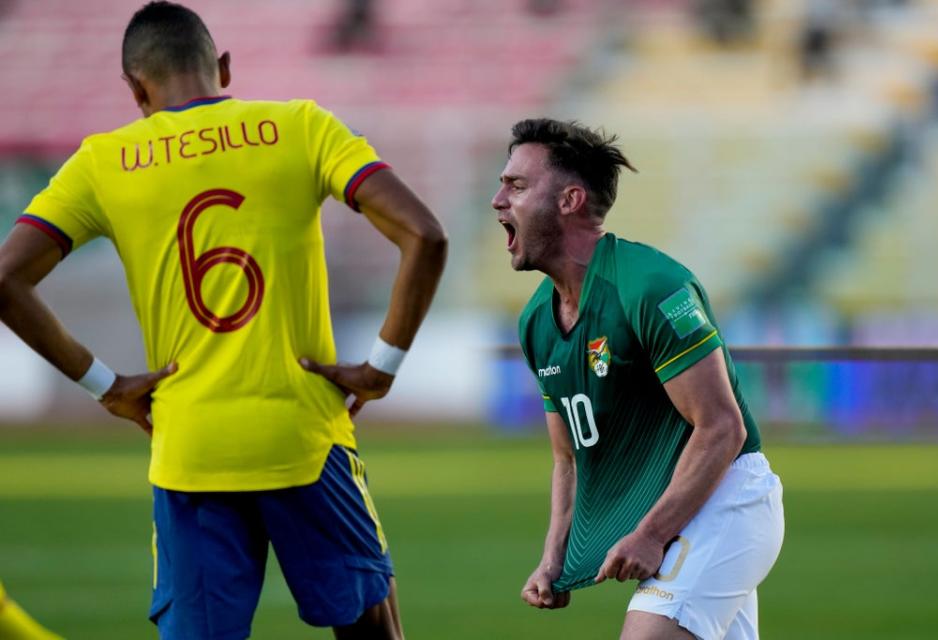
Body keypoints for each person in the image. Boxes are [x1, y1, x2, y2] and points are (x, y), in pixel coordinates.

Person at [0, 2, 446, 639]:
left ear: (135, 90)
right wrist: (382, 368)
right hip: (305, 438)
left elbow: (4, 278)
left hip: (189, 448)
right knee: (373, 630)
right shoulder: (301, 126)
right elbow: (425, 235)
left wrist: (105, 384)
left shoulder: (102, 162)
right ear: (225, 68)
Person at [492, 118, 783, 640]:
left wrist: (650, 535)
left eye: (516, 185)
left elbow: (722, 427)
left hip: (723, 503)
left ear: (570, 200)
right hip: (676, 516)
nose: (498, 200)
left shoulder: (651, 286)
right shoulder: (536, 320)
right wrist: (553, 559)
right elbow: (568, 458)